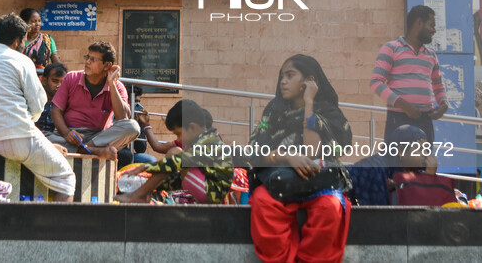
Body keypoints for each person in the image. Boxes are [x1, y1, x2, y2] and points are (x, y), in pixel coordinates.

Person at [248, 54, 353, 263]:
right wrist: (286, 155)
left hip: (318, 181)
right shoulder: (272, 112)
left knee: (329, 209)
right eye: (281, 76)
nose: (283, 82)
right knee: (262, 203)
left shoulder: (329, 113)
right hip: (279, 180)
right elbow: (254, 149)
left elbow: (313, 151)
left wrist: (309, 104)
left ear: (309, 81)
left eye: (290, 75)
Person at [0, 13, 75, 202]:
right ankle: (56, 232)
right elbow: (38, 105)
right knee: (66, 178)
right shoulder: (22, 61)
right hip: (20, 138)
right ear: (18, 41)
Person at [115, 100, 233, 204]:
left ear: (192, 127)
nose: (179, 139)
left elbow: (177, 161)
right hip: (202, 185)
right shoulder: (200, 139)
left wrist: (144, 167)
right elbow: (160, 150)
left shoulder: (208, 142)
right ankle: (142, 194)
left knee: (174, 157)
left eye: (179, 134)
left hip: (211, 192)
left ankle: (138, 195)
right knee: (167, 172)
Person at [370, 5, 448, 144]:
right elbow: (376, 83)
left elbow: (439, 87)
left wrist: (444, 104)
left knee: (424, 163)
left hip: (425, 120)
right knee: (396, 163)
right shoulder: (391, 48)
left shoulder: (431, 55)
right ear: (419, 23)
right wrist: (405, 105)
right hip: (398, 118)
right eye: (431, 25)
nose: (434, 30)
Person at [51, 41, 140, 160]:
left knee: (133, 127)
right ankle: (93, 151)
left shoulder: (118, 86)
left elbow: (123, 117)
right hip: (71, 136)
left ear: (107, 66)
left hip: (100, 137)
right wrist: (67, 133)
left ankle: (86, 149)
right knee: (44, 138)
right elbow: (56, 111)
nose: (87, 62)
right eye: (87, 57)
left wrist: (112, 84)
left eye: (93, 59)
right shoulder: (71, 78)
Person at [347, 124, 436, 206]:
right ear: (401, 150)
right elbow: (378, 214)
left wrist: (429, 177)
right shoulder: (375, 169)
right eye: (420, 149)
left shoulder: (413, 171)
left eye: (426, 149)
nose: (426, 154)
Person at [35, 62, 69, 154]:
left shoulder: (68, 104)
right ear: (44, 80)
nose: (59, 86)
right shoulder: (34, 99)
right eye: (55, 81)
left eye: (62, 82)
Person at [20, 8, 61, 73]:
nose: (37, 24)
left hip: (43, 79)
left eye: (39, 21)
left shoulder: (47, 39)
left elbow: (56, 60)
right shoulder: (18, 41)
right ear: (24, 22)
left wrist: (63, 71)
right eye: (33, 21)